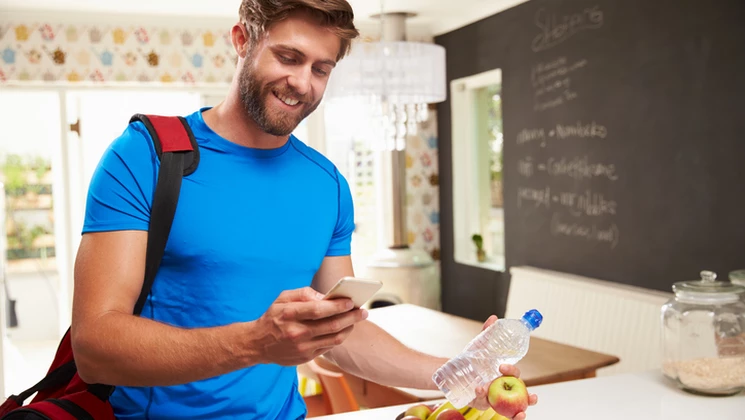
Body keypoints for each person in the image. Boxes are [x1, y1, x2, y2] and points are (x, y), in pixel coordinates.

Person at [70, 0, 538, 419]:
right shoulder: (145, 156)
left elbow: (342, 333)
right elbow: (94, 347)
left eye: (321, 69)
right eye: (288, 57)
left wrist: (459, 373)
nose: (302, 83)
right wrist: (255, 343)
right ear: (242, 40)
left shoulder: (326, 184)